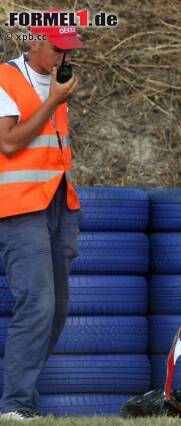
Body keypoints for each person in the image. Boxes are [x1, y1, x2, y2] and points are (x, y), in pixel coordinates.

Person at [0, 16, 83, 420]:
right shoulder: (4, 80)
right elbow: (10, 143)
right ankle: (15, 406)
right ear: (33, 45)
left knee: (58, 307)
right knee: (37, 303)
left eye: (68, 50)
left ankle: (22, 400)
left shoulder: (57, 81)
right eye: (56, 49)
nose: (63, 57)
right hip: (17, 207)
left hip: (57, 203)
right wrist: (53, 100)